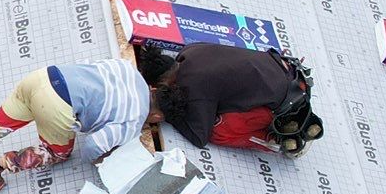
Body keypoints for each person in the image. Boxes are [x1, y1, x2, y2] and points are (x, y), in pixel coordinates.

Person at [0, 56, 155, 194]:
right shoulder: (134, 121)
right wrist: (98, 159)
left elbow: (88, 67)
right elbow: (92, 146)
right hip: (58, 105)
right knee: (58, 154)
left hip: (43, 77)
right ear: (155, 116)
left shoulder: (125, 67)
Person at [138, 40, 324, 156]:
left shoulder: (194, 88)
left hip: (286, 103)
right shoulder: (189, 51)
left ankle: (275, 139)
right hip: (285, 70)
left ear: (164, 82)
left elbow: (199, 136)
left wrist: (168, 110)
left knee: (218, 130)